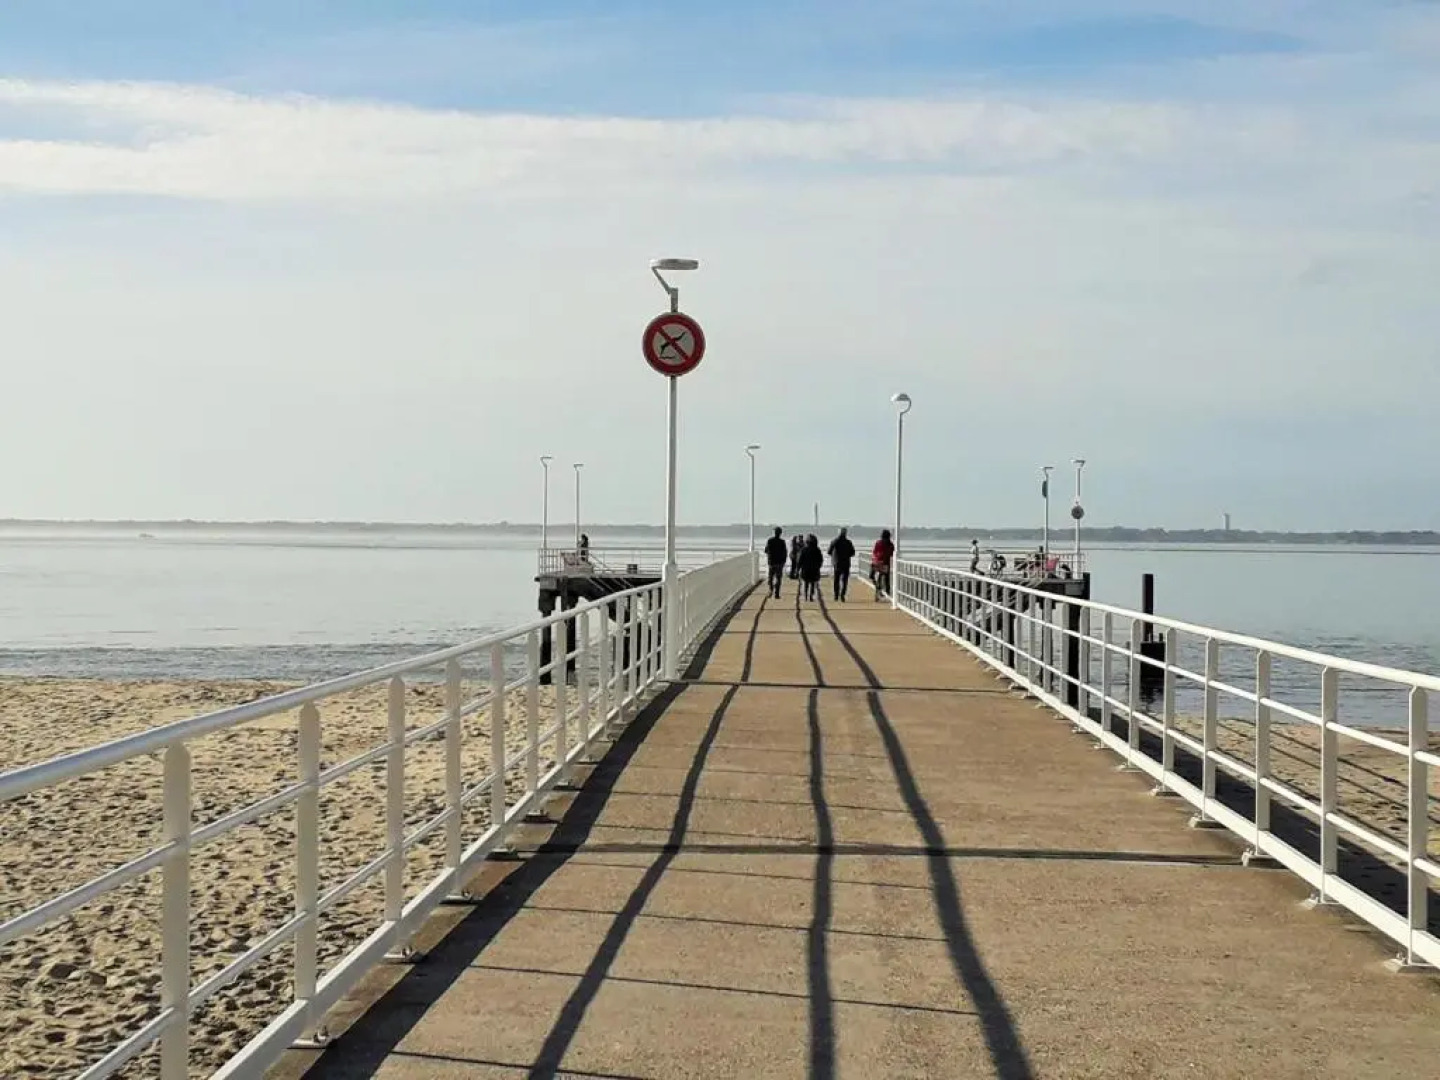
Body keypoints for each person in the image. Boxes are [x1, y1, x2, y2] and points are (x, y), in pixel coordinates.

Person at [827, 527, 856, 601]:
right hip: (846, 563)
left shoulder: (834, 541)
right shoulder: (848, 542)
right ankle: (842, 595)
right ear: (845, 533)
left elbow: (829, 552)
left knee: (836, 580)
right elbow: (853, 553)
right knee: (844, 580)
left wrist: (834, 556)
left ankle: (836, 595)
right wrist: (847, 555)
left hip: (837, 563)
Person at [763, 526, 788, 599]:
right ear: (780, 533)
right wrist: (784, 561)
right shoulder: (782, 542)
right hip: (779, 563)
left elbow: (766, 550)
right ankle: (777, 594)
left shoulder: (770, 540)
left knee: (770, 578)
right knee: (778, 578)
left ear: (775, 532)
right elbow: (785, 552)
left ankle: (771, 590)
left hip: (771, 562)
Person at [799, 533, 824, 601]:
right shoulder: (817, 550)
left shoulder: (804, 549)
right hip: (814, 569)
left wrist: (798, 568)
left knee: (806, 583)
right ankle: (811, 596)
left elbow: (800, 559)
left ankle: (805, 595)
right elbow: (820, 559)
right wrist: (819, 566)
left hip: (805, 569)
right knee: (813, 583)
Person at [871, 528, 895, 600]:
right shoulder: (890, 544)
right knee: (885, 579)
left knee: (874, 576)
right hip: (885, 563)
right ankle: (886, 592)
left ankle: (878, 591)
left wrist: (876, 557)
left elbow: (874, 552)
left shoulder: (878, 542)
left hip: (877, 562)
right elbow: (891, 553)